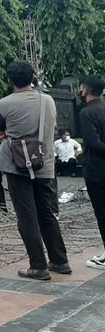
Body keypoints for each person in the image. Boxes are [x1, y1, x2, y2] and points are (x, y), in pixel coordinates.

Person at [0, 61, 69, 280]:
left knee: (26, 215)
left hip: (16, 164)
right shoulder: (48, 100)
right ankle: (60, 261)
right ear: (33, 77)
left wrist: (6, 132)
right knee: (46, 212)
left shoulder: (3, 104)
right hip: (44, 162)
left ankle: (38, 265)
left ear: (9, 80)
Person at [78, 75, 105, 269]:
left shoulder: (86, 113)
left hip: (97, 170)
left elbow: (94, 144)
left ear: (85, 90)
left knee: (102, 212)